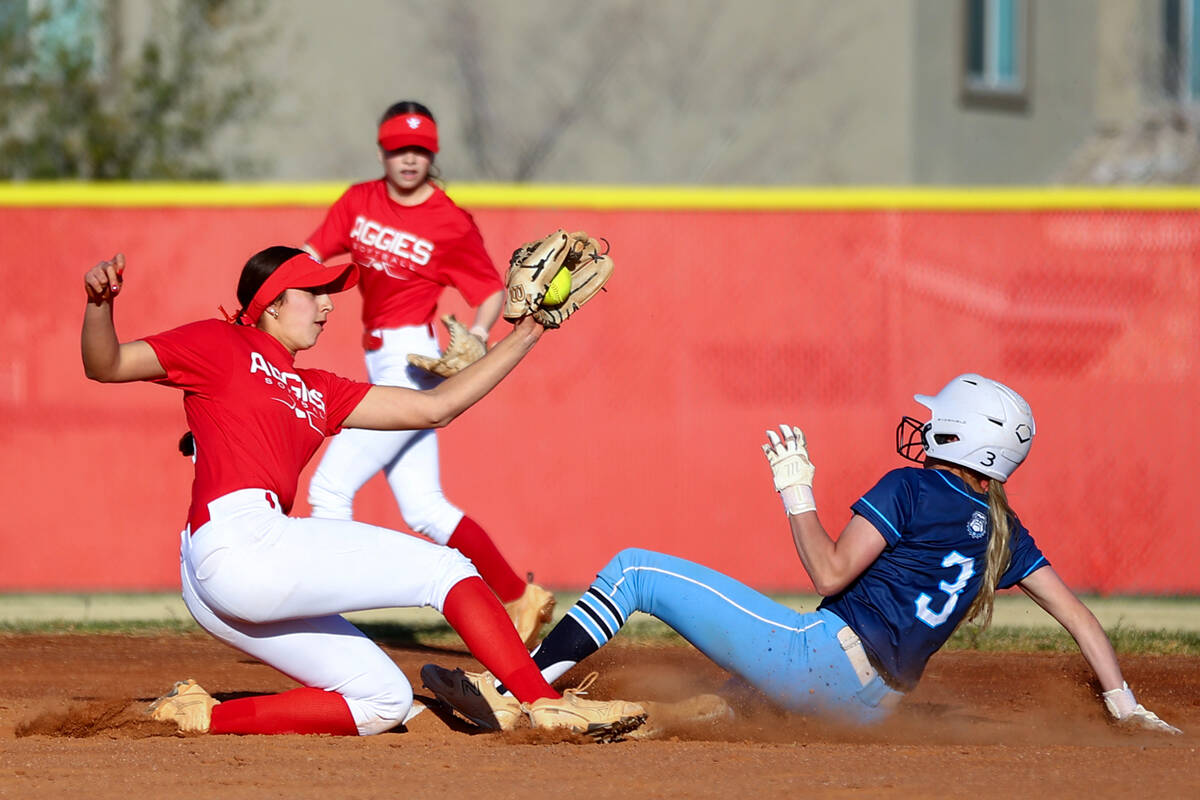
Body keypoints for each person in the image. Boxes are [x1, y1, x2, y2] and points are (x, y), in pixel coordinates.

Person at [80, 248, 645, 739]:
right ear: (273, 302)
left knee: (382, 702)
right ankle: (545, 704)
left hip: (236, 572)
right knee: (446, 571)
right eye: (315, 292)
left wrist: (530, 331)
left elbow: (435, 408)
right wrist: (100, 304)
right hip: (237, 542)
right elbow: (105, 365)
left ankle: (200, 715)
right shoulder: (219, 342)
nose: (328, 304)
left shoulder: (318, 389)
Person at [421, 374, 1181, 737]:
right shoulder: (1004, 530)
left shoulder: (912, 489)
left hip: (821, 662)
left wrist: (796, 491)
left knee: (633, 571)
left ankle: (514, 691)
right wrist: (1125, 705)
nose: (925, 427)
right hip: (872, 707)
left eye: (937, 421)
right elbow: (1080, 617)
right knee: (737, 684)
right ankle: (660, 719)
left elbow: (827, 573)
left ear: (960, 439)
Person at [300, 99, 554, 647]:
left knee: (328, 489)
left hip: (412, 362)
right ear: (383, 151)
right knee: (425, 508)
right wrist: (275, 280)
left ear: (431, 155)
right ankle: (520, 597)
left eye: (420, 149)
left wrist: (482, 336)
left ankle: (325, 621)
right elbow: (311, 255)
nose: (409, 159)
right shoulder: (358, 202)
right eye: (399, 148)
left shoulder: (448, 219)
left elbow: (488, 292)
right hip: (380, 356)